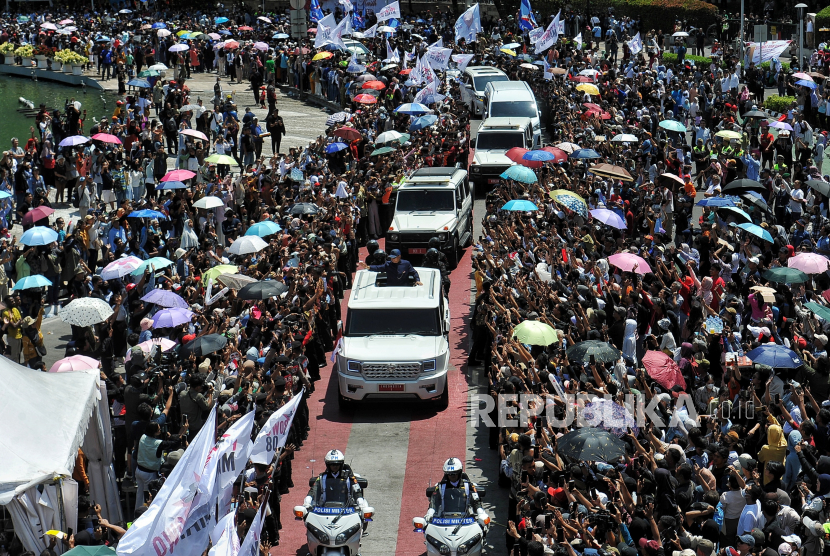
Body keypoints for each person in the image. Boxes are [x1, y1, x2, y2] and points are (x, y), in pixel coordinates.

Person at [424, 458, 487, 525]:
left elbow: (476, 502)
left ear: (459, 473)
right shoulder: (440, 487)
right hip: (444, 520)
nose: (451, 476)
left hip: (466, 520)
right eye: (449, 474)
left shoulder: (468, 486)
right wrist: (429, 514)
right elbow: (434, 502)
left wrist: (481, 513)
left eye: (454, 474)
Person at [357, 249, 421, 286]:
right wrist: (367, 267)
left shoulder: (406, 264)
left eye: (394, 258)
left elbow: (414, 272)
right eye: (391, 258)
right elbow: (378, 268)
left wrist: (417, 280)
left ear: (399, 256)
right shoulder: (388, 264)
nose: (392, 259)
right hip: (390, 287)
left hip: (403, 287)